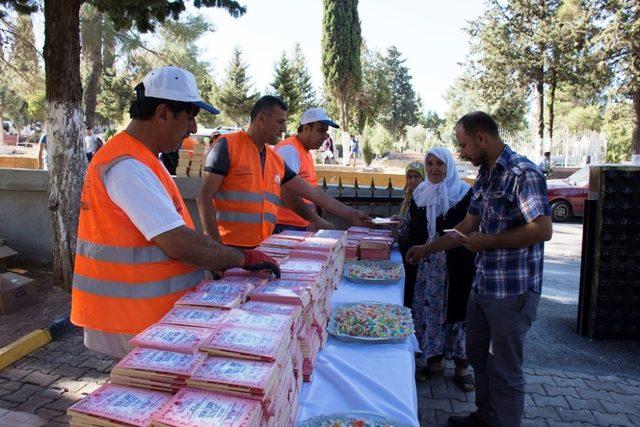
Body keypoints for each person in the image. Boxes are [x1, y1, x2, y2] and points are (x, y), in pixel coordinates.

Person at [70, 66, 280, 359]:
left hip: (145, 315)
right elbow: (179, 242)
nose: (193, 129)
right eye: (190, 117)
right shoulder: (127, 166)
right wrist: (241, 258)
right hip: (131, 317)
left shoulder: (144, 159)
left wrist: (215, 260)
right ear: (163, 113)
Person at [407, 112, 552, 427]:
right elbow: (466, 226)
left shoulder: (523, 173)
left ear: (481, 138)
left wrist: (490, 241)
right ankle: (486, 416)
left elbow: (542, 229)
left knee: (505, 368)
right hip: (484, 286)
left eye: (464, 145)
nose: (462, 153)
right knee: (477, 354)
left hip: (512, 291)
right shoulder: (485, 176)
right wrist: (427, 249)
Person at [197, 96, 370, 248]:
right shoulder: (227, 146)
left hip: (261, 248)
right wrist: (216, 247)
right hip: (230, 247)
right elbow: (204, 198)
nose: (284, 129)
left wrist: (350, 214)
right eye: (280, 122)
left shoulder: (274, 159)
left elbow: (312, 193)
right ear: (262, 119)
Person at [403, 148, 476, 392]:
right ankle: (434, 362)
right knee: (430, 310)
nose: (434, 168)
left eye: (440, 164)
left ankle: (461, 365)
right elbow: (415, 230)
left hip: (458, 264)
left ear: (450, 166)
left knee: (457, 310)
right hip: (429, 266)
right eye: (430, 163)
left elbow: (470, 229)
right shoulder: (419, 195)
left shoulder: (465, 194)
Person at [274, 108, 359, 233]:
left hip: (295, 226)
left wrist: (351, 214)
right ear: (306, 128)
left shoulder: (303, 150)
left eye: (326, 132)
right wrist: (316, 220)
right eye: (320, 131)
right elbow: (288, 194)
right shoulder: (289, 150)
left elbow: (312, 191)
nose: (325, 137)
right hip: (285, 226)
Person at [393, 161, 425, 311]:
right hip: (406, 247)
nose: (412, 181)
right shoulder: (408, 196)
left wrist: (402, 224)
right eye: (410, 177)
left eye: (417, 177)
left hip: (416, 250)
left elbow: (417, 228)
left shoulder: (423, 199)